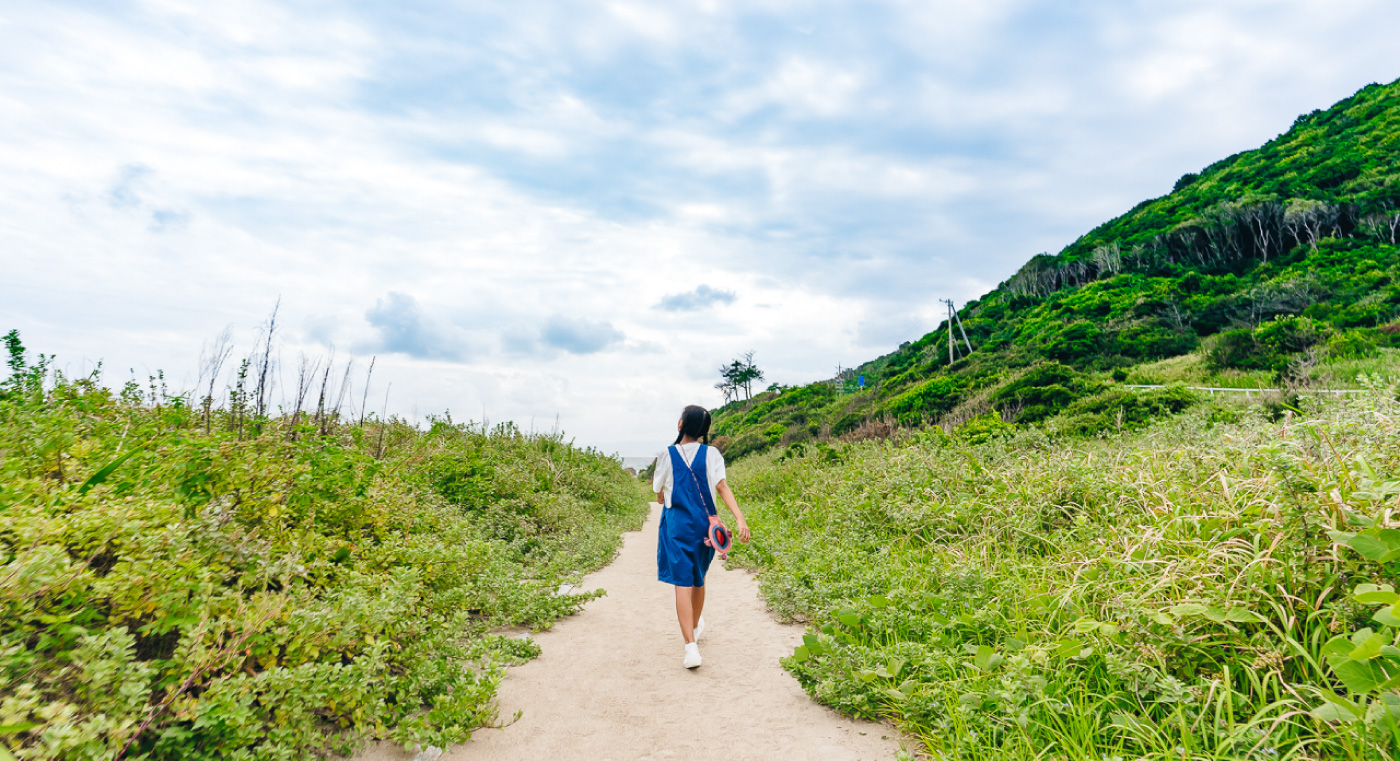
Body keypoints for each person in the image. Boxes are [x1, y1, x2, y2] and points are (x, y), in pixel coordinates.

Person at [652, 404, 750, 669]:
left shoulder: (666, 453)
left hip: (676, 528)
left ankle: (690, 647)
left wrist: (664, 494)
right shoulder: (712, 454)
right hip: (705, 528)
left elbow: (659, 493)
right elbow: (721, 486)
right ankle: (694, 627)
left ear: (681, 424)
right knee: (698, 578)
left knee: (681, 583)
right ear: (704, 431)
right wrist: (740, 518)